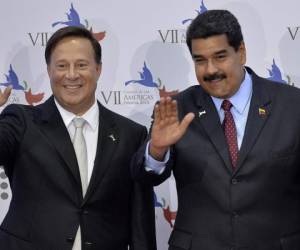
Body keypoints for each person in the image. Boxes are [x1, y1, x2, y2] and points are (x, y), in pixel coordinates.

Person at [131, 9, 300, 250]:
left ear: (240, 52)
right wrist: (157, 150)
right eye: (200, 60)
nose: (210, 70)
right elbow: (144, 178)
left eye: (220, 57)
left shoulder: (292, 106)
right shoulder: (175, 110)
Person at [0, 26, 156, 250]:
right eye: (61, 66)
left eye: (81, 65)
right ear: (49, 70)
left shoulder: (131, 134)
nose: (71, 74)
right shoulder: (21, 121)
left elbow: (140, 222)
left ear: (98, 69)